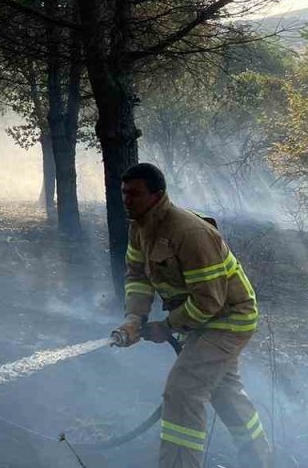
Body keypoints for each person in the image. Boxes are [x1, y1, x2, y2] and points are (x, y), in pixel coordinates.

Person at [110, 163, 271, 468]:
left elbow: (210, 301)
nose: (127, 201)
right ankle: (259, 459)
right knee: (223, 390)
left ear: (157, 195)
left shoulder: (190, 233)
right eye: (124, 194)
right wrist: (135, 319)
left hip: (228, 320)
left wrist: (167, 326)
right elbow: (137, 276)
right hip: (199, 320)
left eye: (135, 194)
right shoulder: (139, 228)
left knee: (183, 391)